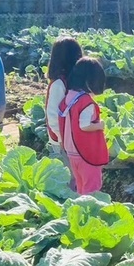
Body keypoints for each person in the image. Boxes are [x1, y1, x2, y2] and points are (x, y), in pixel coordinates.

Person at [58, 57, 108, 195]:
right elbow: (84, 125)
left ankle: (79, 213)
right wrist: (100, 125)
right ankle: (90, 214)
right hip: (86, 154)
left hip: (72, 152)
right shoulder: (86, 102)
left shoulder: (70, 96)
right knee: (92, 190)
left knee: (80, 187)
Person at [45, 36, 83, 190]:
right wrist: (62, 139)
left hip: (71, 142)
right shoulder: (59, 85)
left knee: (76, 180)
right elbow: (53, 116)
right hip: (62, 144)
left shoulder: (71, 82)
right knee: (69, 182)